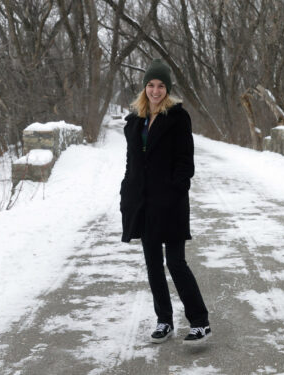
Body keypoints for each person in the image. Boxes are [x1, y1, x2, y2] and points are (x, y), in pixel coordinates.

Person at [119, 59, 211, 345]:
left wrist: (175, 191)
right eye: (151, 85)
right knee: (153, 265)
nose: (155, 90)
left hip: (170, 202)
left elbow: (186, 162)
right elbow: (131, 162)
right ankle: (164, 321)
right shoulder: (135, 121)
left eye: (161, 86)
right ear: (144, 87)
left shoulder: (177, 117)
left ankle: (199, 322)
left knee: (175, 262)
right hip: (143, 203)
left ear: (168, 89)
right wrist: (127, 191)